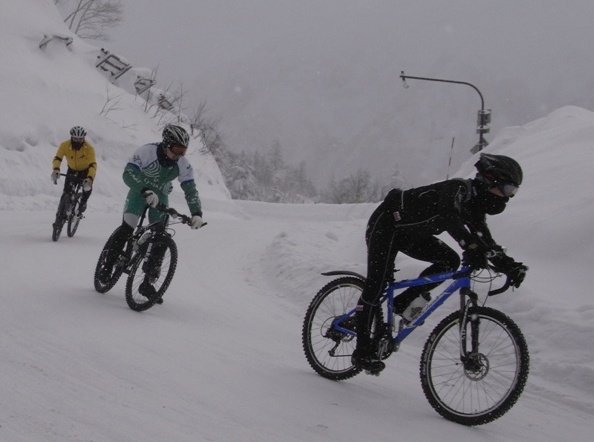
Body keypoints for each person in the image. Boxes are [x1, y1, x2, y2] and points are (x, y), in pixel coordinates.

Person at [352, 153, 529, 373]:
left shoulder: (474, 208)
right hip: (387, 226)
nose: (509, 197)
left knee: (449, 261)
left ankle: (400, 303)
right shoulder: (457, 190)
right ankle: (361, 351)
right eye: (508, 190)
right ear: (490, 179)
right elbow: (449, 216)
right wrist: (469, 245)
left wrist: (507, 264)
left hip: (410, 236)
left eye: (514, 192)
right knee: (377, 285)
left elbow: (486, 241)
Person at [99, 124, 204, 301]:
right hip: (139, 192)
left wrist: (197, 213)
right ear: (166, 144)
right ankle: (107, 266)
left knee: (161, 237)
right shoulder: (147, 151)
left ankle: (147, 283)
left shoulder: (182, 165)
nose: (179, 155)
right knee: (127, 228)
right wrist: (144, 190)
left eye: (183, 151)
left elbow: (191, 190)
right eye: (177, 150)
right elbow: (128, 174)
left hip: (161, 197)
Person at [51, 126, 97, 215]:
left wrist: (90, 177)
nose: (77, 141)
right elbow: (58, 158)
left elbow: (93, 164)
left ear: (83, 138)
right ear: (71, 137)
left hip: (85, 171)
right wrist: (56, 169)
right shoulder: (64, 145)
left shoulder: (89, 148)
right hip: (72, 170)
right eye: (75, 139)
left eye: (80, 139)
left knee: (87, 188)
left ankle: (83, 202)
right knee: (66, 192)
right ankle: (60, 214)